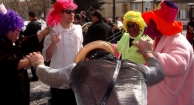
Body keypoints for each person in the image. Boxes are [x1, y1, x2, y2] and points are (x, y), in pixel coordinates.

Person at [28, 40, 164, 105]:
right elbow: (158, 72)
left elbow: (49, 77)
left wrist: (38, 62)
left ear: (87, 59)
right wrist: (147, 51)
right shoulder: (135, 67)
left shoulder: (80, 70)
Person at [0, 3, 49, 105]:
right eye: (15, 27)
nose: (19, 29)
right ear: (5, 29)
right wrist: (30, 61)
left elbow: (25, 45)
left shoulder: (11, 43)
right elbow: (5, 63)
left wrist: (44, 33)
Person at [133, 0, 194, 105]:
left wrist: (152, 53)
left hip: (174, 100)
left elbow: (179, 64)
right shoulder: (160, 39)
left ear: (160, 24)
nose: (149, 24)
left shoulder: (178, 41)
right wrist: (145, 51)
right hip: (163, 98)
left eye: (153, 21)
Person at [42, 0, 83, 105]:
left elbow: (81, 50)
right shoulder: (53, 31)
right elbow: (46, 57)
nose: (72, 14)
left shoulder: (78, 29)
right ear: (60, 13)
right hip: (58, 78)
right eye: (68, 11)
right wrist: (53, 43)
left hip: (76, 77)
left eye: (73, 11)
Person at [22, 10, 42, 81]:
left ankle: (35, 75)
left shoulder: (30, 24)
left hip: (32, 44)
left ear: (30, 16)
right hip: (39, 44)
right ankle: (40, 74)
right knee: (39, 59)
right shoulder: (40, 23)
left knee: (33, 59)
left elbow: (25, 33)